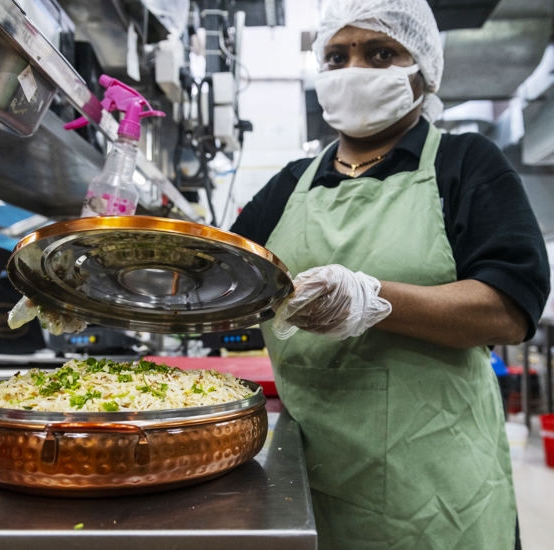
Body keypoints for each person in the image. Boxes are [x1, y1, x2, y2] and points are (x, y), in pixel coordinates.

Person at [230, 0, 550, 548]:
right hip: (312, 472)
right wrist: (122, 271)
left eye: (380, 52)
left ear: (422, 69)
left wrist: (370, 300)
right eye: (337, 56)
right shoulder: (289, 184)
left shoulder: (465, 163)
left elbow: (509, 308)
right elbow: (224, 282)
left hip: (432, 487)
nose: (354, 70)